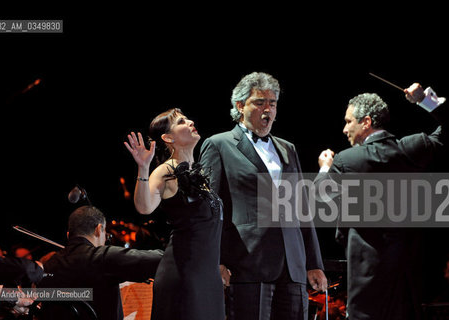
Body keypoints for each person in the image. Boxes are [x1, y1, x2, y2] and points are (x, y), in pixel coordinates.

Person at [317, 82, 449, 319]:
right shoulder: (411, 150)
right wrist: (426, 101)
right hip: (410, 281)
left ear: (366, 122)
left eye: (348, 121)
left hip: (366, 283)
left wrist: (325, 168)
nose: (344, 129)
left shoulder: (347, 161)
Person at [198, 72, 327, 320]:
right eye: (259, 102)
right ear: (240, 106)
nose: (267, 109)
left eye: (273, 103)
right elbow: (210, 210)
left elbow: (301, 207)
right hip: (247, 263)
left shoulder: (287, 148)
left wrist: (313, 262)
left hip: (293, 264)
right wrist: (217, 260)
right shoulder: (219, 144)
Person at [124, 108, 225, 320]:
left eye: (188, 118)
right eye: (181, 121)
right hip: (184, 276)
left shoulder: (199, 173)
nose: (190, 122)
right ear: (168, 137)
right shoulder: (165, 171)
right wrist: (143, 168)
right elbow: (145, 207)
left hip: (208, 279)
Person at [37, 205, 163, 320]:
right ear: (98, 229)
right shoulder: (103, 258)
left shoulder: (47, 265)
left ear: (68, 235)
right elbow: (160, 259)